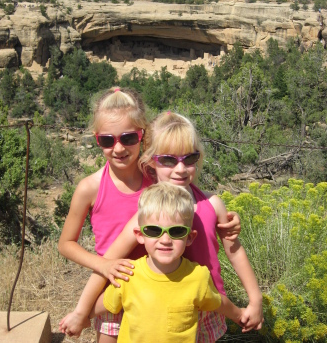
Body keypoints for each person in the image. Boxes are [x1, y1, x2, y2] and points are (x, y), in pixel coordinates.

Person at [59, 111, 263, 341]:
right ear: (151, 162)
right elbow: (108, 265)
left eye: (190, 159)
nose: (180, 169)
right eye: (168, 159)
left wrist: (255, 300)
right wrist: (81, 312)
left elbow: (234, 251)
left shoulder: (212, 204)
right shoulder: (146, 212)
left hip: (206, 304)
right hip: (154, 304)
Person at [100, 182, 245, 342]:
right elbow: (106, 303)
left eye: (176, 231)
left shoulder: (198, 277)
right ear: (140, 235)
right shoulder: (128, 274)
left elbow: (218, 302)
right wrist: (80, 317)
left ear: (190, 237)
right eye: (154, 231)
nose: (165, 240)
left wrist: (239, 315)